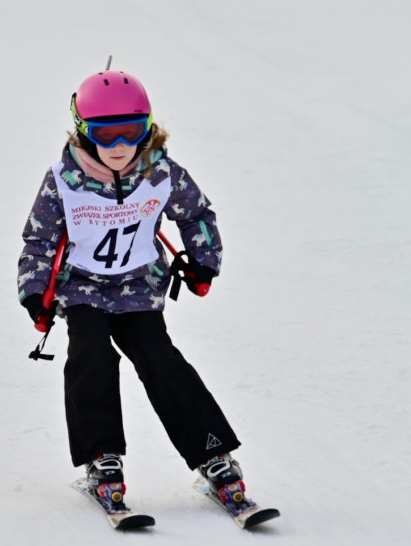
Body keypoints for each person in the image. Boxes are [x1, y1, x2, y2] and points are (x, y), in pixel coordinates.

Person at [17, 69, 249, 510]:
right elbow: (40, 239)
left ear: (149, 127)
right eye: (106, 135)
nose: (120, 146)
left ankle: (213, 454)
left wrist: (203, 260)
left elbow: (196, 213)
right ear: (84, 132)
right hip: (82, 286)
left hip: (138, 287)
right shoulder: (64, 180)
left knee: (159, 358)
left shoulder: (160, 172)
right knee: (91, 355)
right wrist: (35, 292)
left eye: (132, 132)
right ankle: (101, 458)